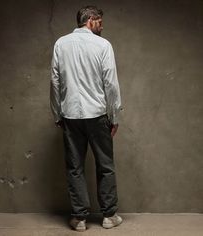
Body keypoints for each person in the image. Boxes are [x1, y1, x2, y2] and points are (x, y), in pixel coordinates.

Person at [50, 5, 123, 231]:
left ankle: (80, 219)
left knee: (75, 167)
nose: (102, 26)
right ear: (91, 20)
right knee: (106, 166)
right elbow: (110, 84)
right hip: (98, 115)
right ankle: (109, 216)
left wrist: (57, 113)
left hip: (70, 115)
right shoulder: (103, 45)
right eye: (100, 21)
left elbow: (54, 81)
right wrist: (115, 116)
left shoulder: (61, 44)